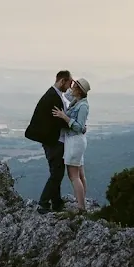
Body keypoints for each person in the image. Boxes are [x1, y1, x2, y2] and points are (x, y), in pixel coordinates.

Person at [24, 70, 82, 213]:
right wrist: (76, 125)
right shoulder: (53, 97)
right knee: (57, 174)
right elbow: (58, 122)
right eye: (69, 83)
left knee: (55, 172)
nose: (70, 87)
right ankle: (43, 204)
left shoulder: (54, 95)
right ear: (62, 81)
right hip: (54, 142)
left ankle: (56, 202)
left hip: (52, 141)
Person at [52, 77, 90, 210]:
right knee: (80, 174)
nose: (72, 88)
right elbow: (68, 94)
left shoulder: (83, 105)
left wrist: (64, 117)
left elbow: (79, 127)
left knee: (73, 176)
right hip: (76, 141)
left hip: (75, 141)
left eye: (75, 86)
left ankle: (81, 206)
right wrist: (71, 81)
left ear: (79, 91)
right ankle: (82, 202)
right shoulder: (77, 101)